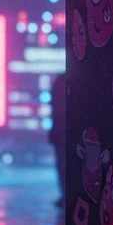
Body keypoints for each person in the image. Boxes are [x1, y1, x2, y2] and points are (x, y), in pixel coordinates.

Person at [49, 72, 67, 207]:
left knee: (62, 165)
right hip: (64, 133)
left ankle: (65, 196)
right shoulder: (65, 81)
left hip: (60, 134)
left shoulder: (60, 81)